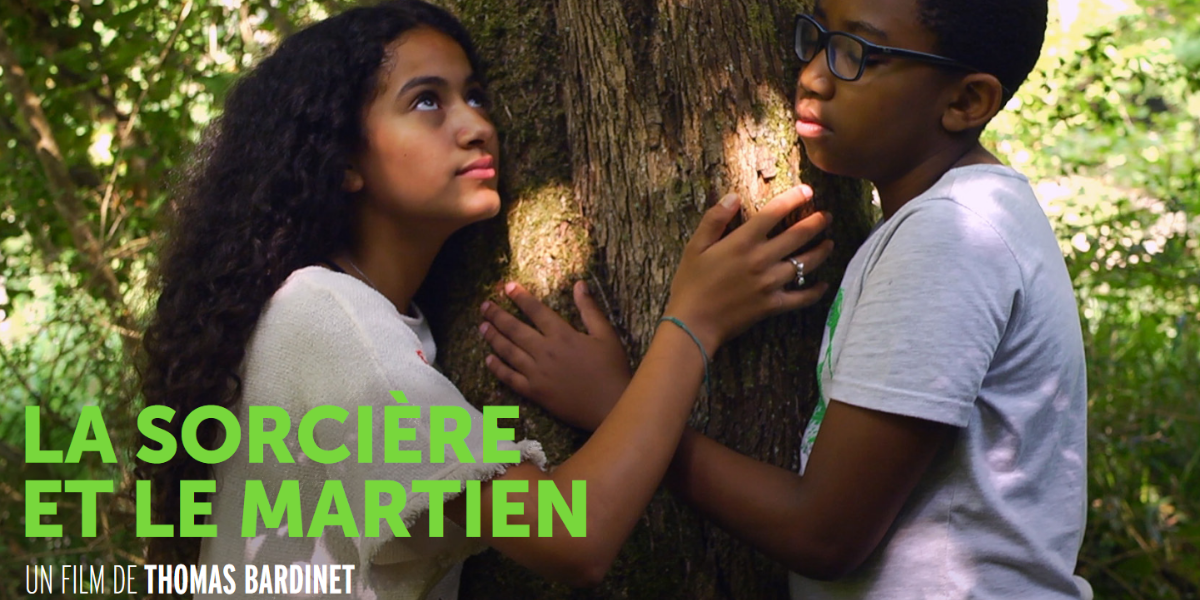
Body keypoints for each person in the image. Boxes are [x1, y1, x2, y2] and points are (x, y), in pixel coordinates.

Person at [137, 1, 834, 598]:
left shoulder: (357, 317)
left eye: (475, 97)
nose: (476, 125)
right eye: (426, 101)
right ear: (343, 159)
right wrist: (694, 321)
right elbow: (572, 536)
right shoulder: (325, 316)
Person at [479, 0, 1091, 598]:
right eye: (817, 36)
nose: (813, 76)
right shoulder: (961, 220)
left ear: (966, 101)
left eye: (858, 52)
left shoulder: (951, 235)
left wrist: (621, 407)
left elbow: (822, 534)